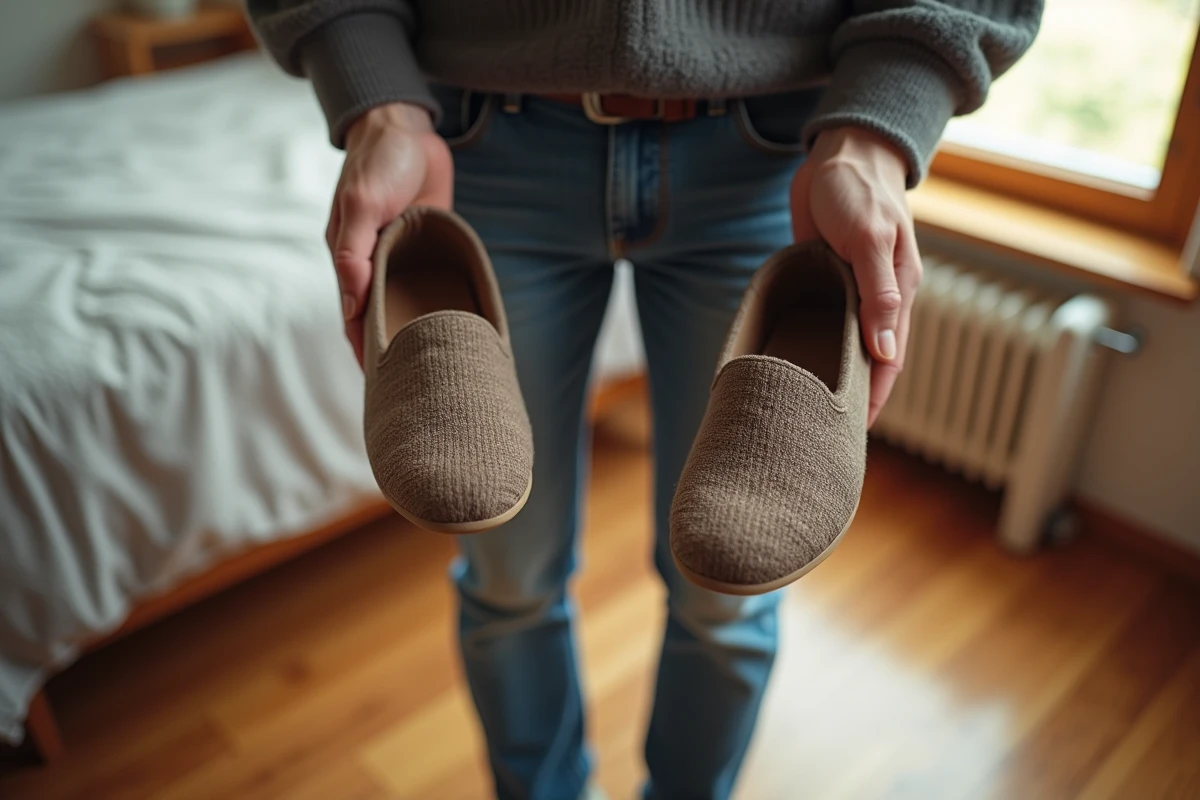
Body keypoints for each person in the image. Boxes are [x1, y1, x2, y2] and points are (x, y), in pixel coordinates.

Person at [246, 3, 1042, 798]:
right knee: (508, 572)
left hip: (768, 146)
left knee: (731, 582)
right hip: (478, 138)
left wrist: (879, 126)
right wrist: (376, 103)